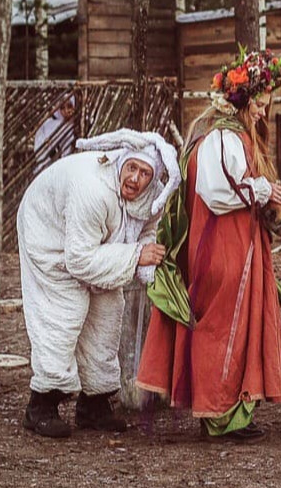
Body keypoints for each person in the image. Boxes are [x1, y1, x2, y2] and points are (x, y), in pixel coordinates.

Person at [136, 47, 281, 442]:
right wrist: (263, 188)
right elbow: (216, 191)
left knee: (238, 324)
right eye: (258, 104)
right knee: (222, 326)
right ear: (242, 101)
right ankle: (219, 414)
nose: (261, 111)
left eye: (265, 104)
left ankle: (233, 411)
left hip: (239, 245)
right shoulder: (222, 138)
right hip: (222, 247)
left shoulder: (229, 135)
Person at [18, 128, 181, 438]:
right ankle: (41, 404)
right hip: (48, 231)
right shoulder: (93, 191)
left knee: (109, 308)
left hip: (96, 242)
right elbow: (79, 260)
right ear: (121, 163)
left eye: (144, 172)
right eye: (131, 168)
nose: (134, 178)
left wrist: (144, 257)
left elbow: (146, 232)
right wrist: (135, 256)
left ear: (154, 178)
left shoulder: (151, 199)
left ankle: (94, 403)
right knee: (66, 309)